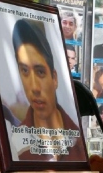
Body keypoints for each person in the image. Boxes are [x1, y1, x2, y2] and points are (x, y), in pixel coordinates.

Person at [10, 18, 85, 161]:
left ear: (54, 78)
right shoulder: (17, 142)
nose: (35, 88)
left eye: (40, 72)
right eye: (24, 71)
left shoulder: (76, 138)